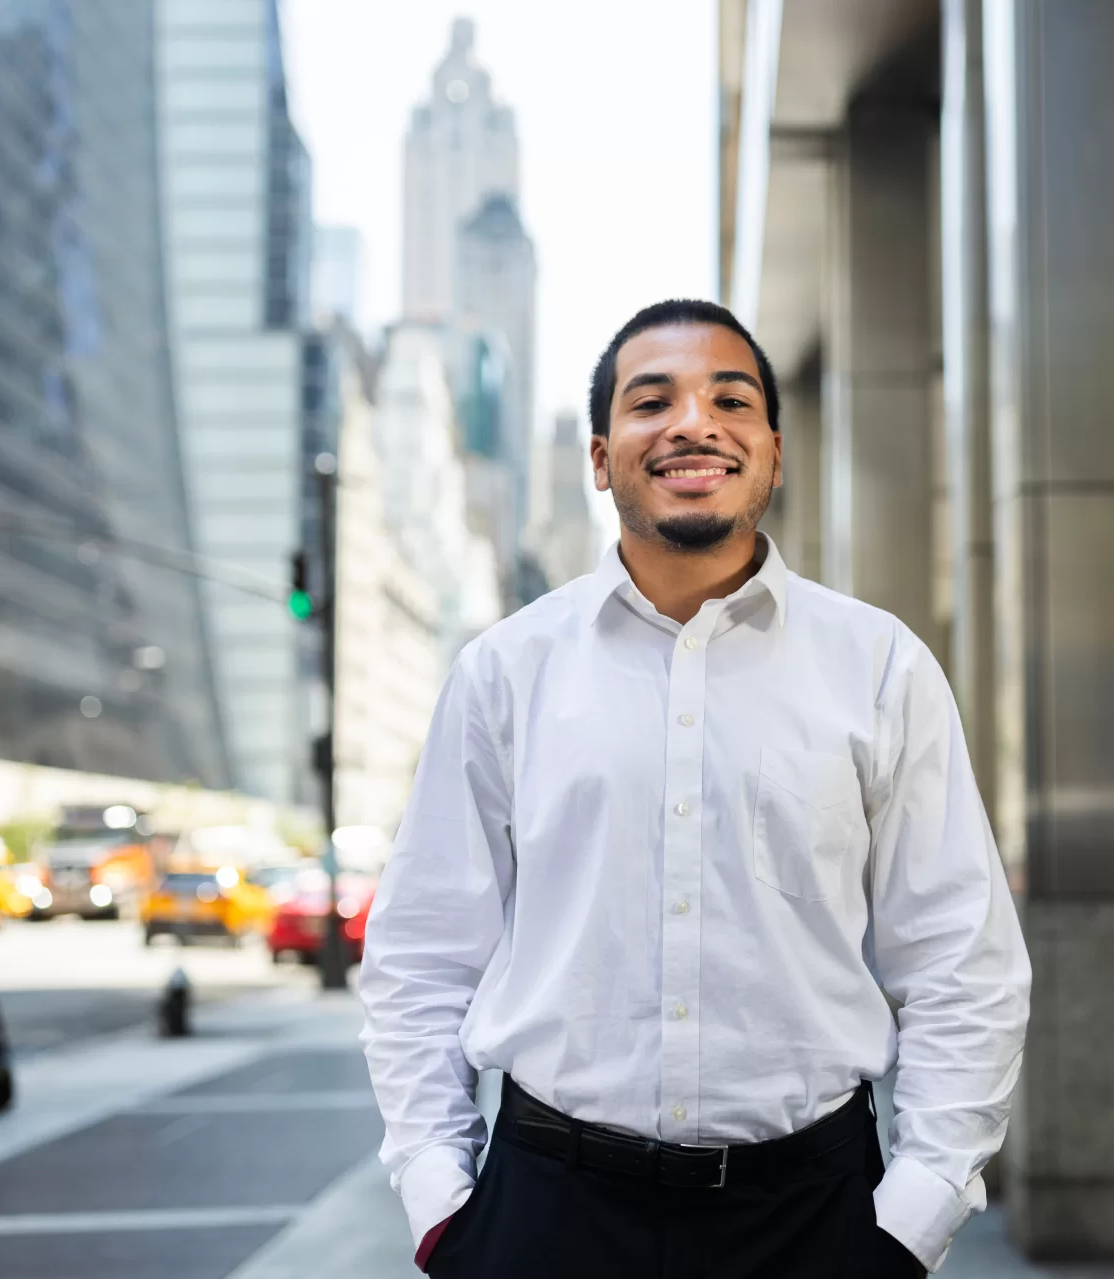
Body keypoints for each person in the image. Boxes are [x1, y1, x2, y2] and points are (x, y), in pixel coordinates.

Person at [360, 299, 1031, 1279]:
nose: (691, 422)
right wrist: (438, 1200)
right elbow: (422, 952)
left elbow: (959, 958)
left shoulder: (880, 666)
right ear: (600, 456)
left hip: (810, 1215)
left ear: (770, 450)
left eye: (729, 397)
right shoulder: (505, 671)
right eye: (651, 400)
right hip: (547, 1211)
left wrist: (912, 1216)